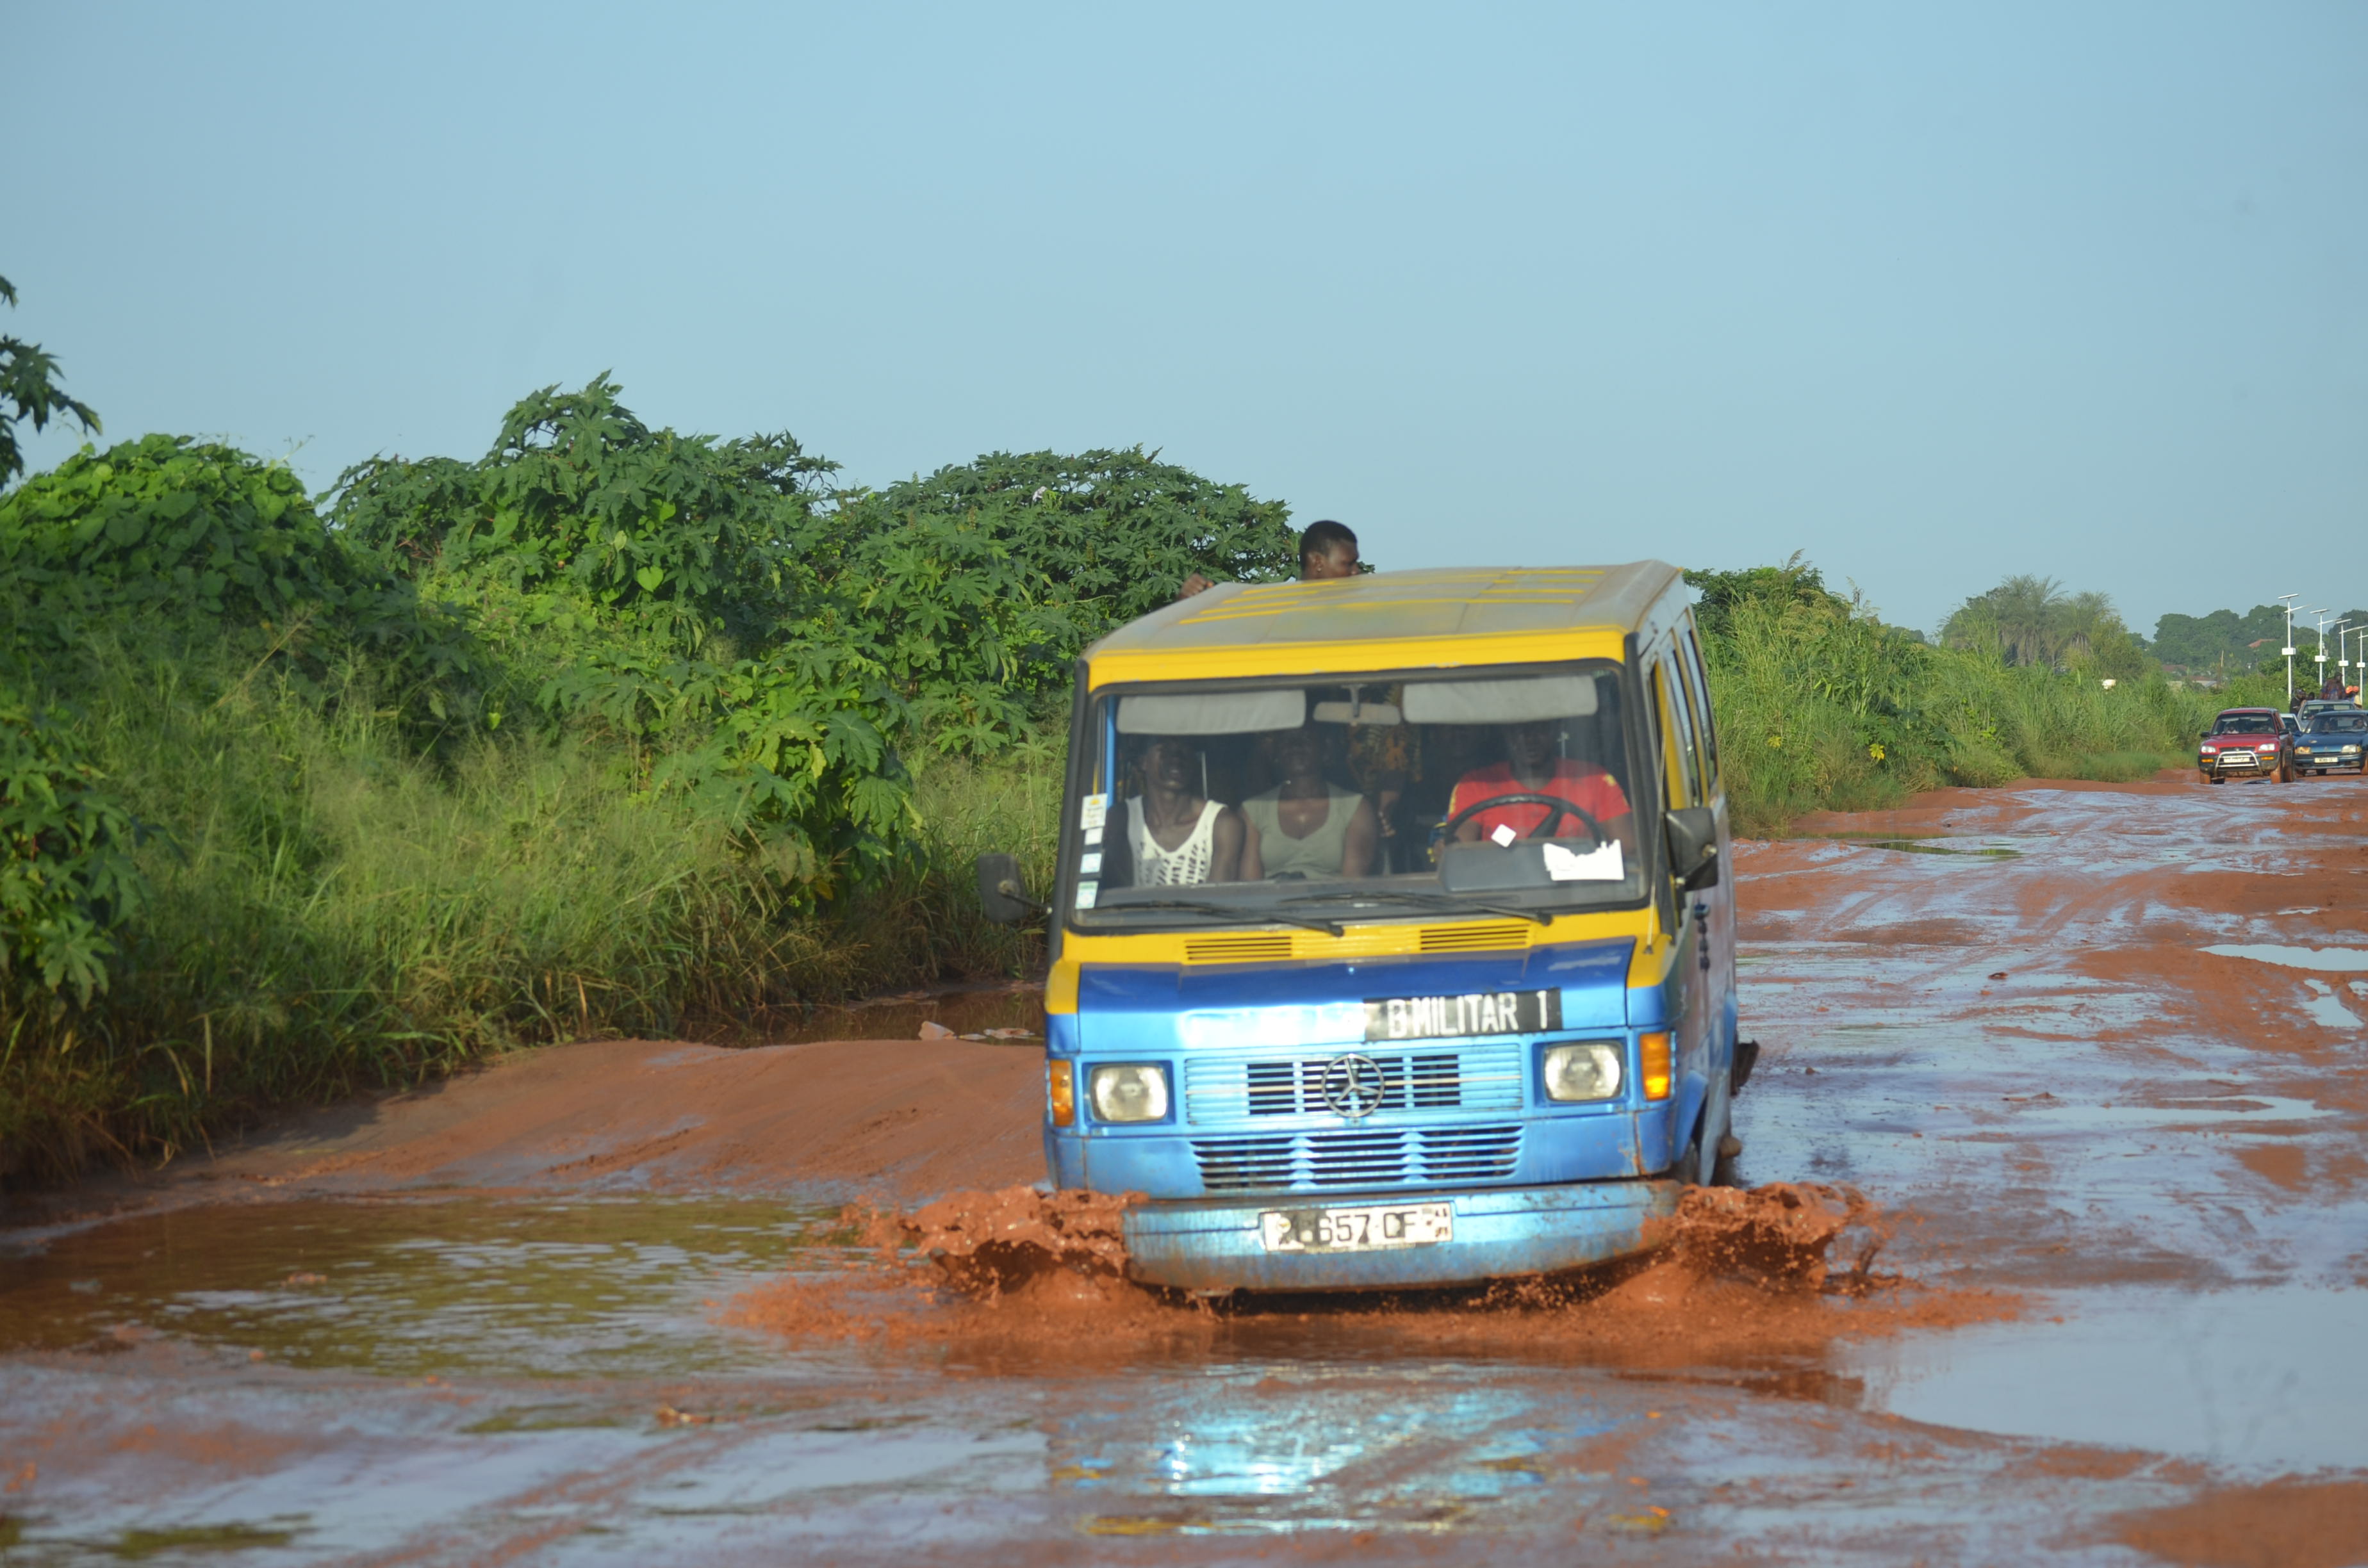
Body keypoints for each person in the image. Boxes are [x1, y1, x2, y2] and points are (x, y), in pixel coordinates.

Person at [1449, 719, 1633, 847]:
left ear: (1556, 730)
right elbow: (1459, 852)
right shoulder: (1475, 784)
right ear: (1507, 734)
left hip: (1579, 893)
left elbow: (1627, 848)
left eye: (1540, 729)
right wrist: (1448, 850)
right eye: (1520, 730)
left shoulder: (1594, 779)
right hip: (1502, 895)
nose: (1530, 739)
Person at [1240, 722, 1378, 880]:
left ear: (1325, 749)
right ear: (1276, 752)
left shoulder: (1355, 806)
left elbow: (1354, 882)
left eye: (1306, 738)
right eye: (1287, 740)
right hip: (1271, 903)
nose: (1296, 746)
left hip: (1334, 903)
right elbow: (1250, 888)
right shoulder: (1253, 810)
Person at [1121, 737, 1245, 886]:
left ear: (1195, 760)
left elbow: (1217, 902)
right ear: (1143, 762)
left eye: (1185, 748)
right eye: (1165, 749)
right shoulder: (1122, 819)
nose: (1175, 758)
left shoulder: (1223, 824)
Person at [1178, 520, 1359, 599]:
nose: (1356, 571)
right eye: (1348, 564)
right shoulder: (1267, 611)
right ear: (1318, 562)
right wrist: (1186, 603)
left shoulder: (1361, 609)